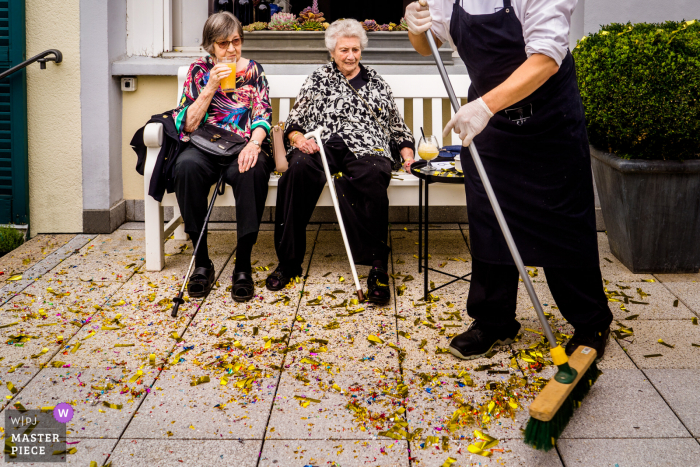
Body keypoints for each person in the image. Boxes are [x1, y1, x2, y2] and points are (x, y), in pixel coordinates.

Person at [405, 0, 613, 359]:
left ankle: (590, 321)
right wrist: (415, 27)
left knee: (562, 224)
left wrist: (485, 106)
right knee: (489, 224)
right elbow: (428, 45)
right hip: (491, 128)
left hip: (549, 124)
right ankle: (493, 321)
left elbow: (547, 58)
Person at [266, 19, 416, 304]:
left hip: (366, 147)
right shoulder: (317, 79)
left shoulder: (377, 83)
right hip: (321, 144)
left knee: (373, 174)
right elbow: (295, 123)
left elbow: (398, 129)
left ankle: (376, 267)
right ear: (332, 51)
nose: (350, 56)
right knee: (296, 170)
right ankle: (289, 262)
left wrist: (408, 156)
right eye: (344, 49)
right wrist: (299, 140)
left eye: (356, 50)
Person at [172, 11, 273, 302]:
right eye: (222, 43)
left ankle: (243, 264)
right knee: (186, 168)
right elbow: (188, 124)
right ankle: (202, 262)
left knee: (252, 170)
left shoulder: (254, 70)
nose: (231, 49)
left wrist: (254, 144)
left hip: (242, 145)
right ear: (210, 46)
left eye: (236, 41)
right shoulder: (198, 71)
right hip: (204, 145)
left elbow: (263, 114)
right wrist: (211, 86)